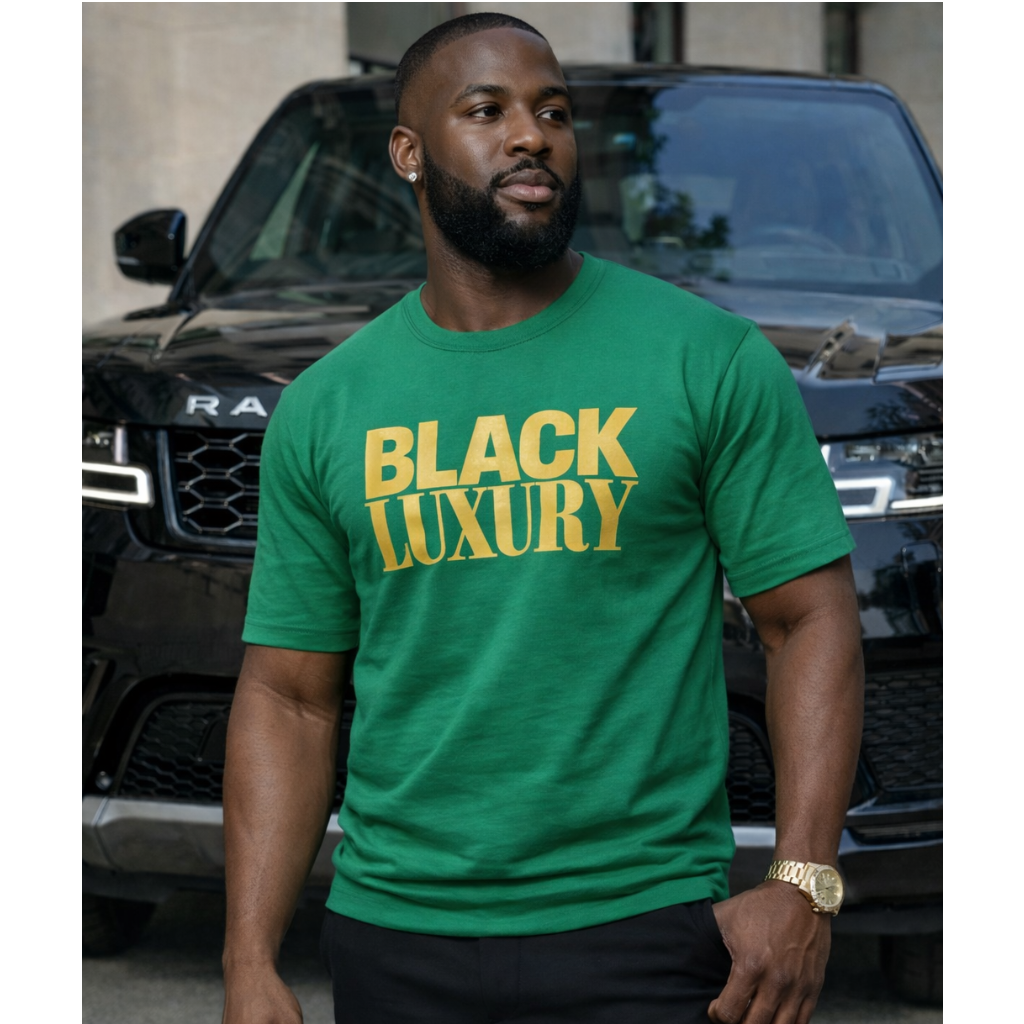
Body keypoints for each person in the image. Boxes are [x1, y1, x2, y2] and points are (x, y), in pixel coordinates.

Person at [221, 13, 864, 1024]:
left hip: (642, 928)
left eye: (552, 111)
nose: (532, 135)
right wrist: (248, 958)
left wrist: (803, 880)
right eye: (486, 111)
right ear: (408, 152)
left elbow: (808, 618)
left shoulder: (704, 359)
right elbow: (289, 695)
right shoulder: (327, 406)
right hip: (396, 935)